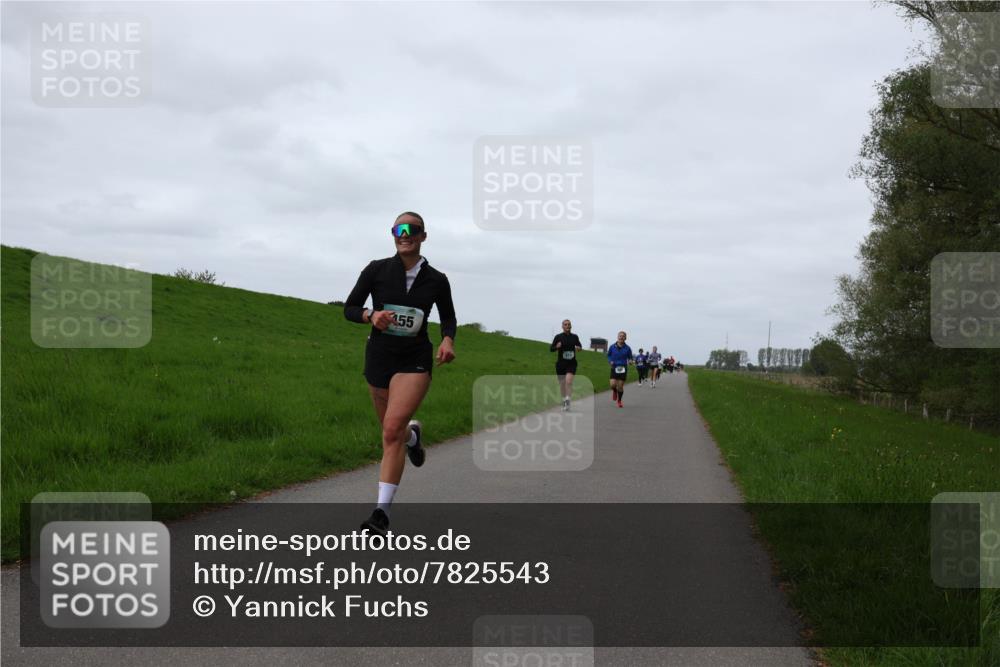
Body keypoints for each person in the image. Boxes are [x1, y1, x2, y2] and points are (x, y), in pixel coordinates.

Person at [344, 212, 456, 535]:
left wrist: (448, 339)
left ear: (423, 236)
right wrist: (370, 315)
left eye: (412, 230)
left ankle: (381, 515)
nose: (404, 234)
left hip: (415, 359)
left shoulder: (437, 279)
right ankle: (413, 436)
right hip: (379, 357)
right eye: (398, 229)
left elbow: (448, 318)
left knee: (390, 429)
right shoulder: (376, 270)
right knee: (393, 431)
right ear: (393, 234)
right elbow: (350, 308)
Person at [550, 319, 583, 411]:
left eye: (569, 324)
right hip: (561, 364)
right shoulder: (558, 337)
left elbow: (580, 346)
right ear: (562, 326)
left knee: (568, 382)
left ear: (571, 326)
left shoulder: (575, 337)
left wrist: (579, 348)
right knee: (562, 384)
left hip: (571, 363)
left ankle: (568, 401)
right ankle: (564, 400)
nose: (567, 326)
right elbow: (551, 349)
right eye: (565, 324)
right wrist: (556, 347)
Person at [606, 331, 633, 408]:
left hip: (623, 368)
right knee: (612, 385)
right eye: (620, 336)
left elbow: (630, 357)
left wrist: (630, 361)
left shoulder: (628, 348)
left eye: (623, 336)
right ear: (617, 337)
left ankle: (619, 401)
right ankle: (614, 391)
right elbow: (608, 355)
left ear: (625, 338)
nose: (621, 337)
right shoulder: (612, 346)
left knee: (620, 386)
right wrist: (610, 361)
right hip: (614, 367)